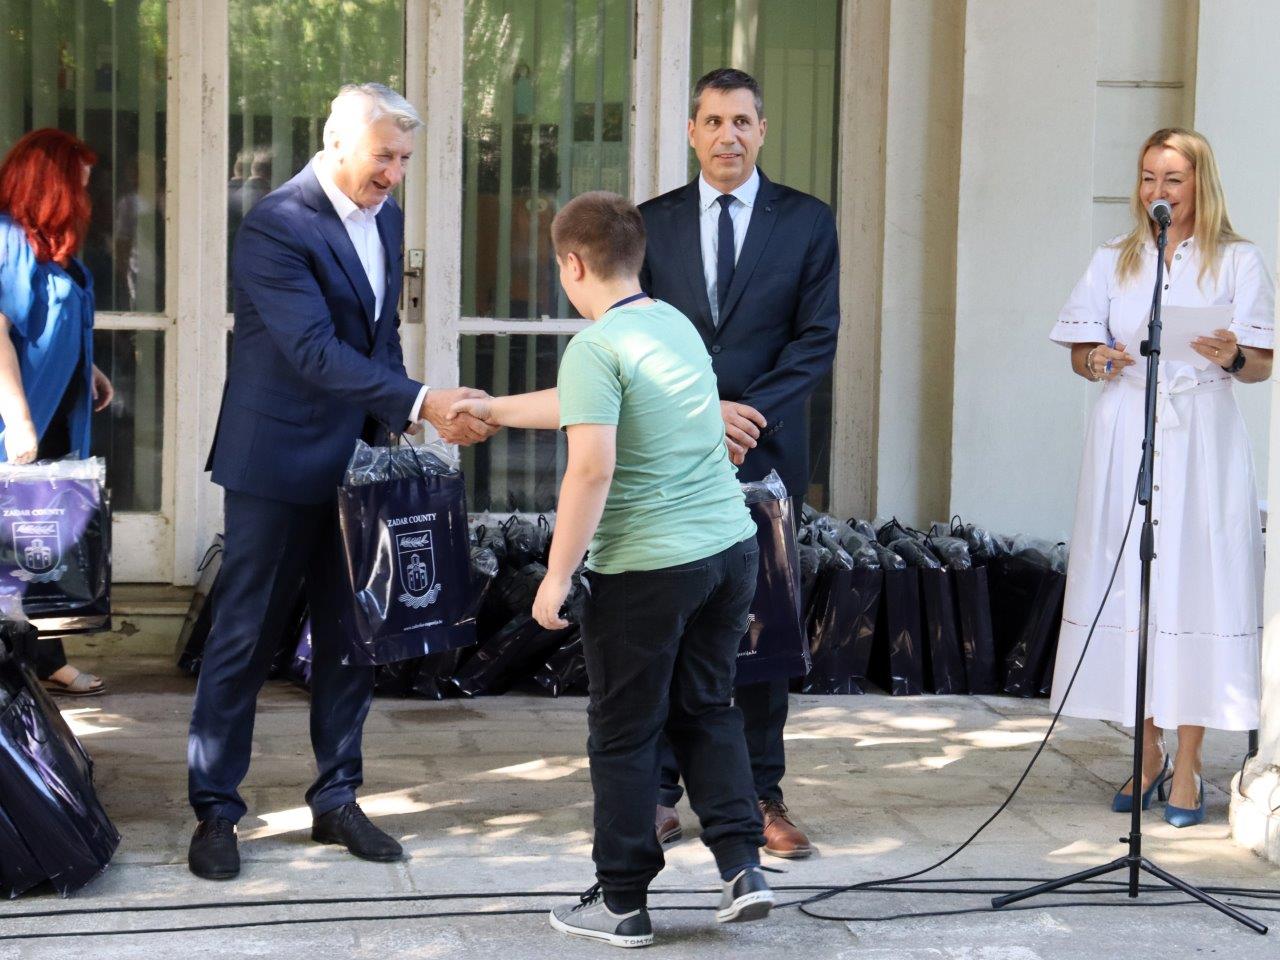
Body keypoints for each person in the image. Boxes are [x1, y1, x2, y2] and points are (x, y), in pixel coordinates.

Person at [186, 83, 496, 881]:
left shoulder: (386, 217)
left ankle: (337, 798)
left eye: (404, 159)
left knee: (353, 635)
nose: (395, 173)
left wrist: (403, 419)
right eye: (383, 156)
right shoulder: (276, 224)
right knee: (244, 638)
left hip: (360, 461)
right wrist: (424, 400)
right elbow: (314, 351)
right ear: (335, 143)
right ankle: (215, 811)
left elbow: (378, 334)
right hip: (275, 462)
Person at [452, 191, 773, 947]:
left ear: (571, 264)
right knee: (708, 708)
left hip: (648, 568)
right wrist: (493, 409)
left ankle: (622, 901)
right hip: (728, 552)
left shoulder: (596, 347)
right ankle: (743, 870)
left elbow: (591, 467)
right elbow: (584, 403)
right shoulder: (672, 325)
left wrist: (557, 574)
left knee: (624, 732)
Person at [638, 67, 840, 858]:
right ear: (692, 132)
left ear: (762, 131)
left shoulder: (807, 221)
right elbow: (634, 335)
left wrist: (747, 415)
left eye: (742, 121)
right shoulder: (650, 224)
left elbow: (816, 338)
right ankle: (657, 791)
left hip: (768, 451)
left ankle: (759, 793)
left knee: (762, 628)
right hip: (672, 449)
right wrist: (703, 412)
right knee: (665, 622)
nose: (729, 135)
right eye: (714, 121)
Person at [1049, 127, 1274, 828]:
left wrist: (1232, 355)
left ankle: (1192, 760)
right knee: (1133, 581)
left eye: (1173, 178)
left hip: (1202, 433)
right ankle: (1146, 753)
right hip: (1127, 432)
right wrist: (1098, 361)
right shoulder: (1114, 258)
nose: (1158, 190)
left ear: (1200, 183)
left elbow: (1262, 364)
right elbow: (1080, 349)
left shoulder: (1238, 260)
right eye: (1149, 177)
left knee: (1195, 582)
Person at [0, 129, 115, 696]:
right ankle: (27, 664)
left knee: (34, 537)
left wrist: (86, 368)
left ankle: (43, 658)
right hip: (22, 419)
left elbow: (52, 322)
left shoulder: (49, 246)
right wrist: (19, 420)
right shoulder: (8, 240)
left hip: (55, 414)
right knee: (14, 539)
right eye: (79, 183)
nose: (86, 195)